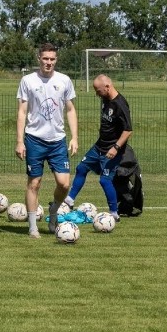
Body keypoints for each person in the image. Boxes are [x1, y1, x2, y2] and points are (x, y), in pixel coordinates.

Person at [16, 43, 78, 238]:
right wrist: (20, 141)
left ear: (56, 60)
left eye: (52, 59)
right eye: (45, 58)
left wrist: (75, 137)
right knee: (34, 183)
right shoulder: (28, 81)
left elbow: (70, 110)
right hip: (34, 139)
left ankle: (54, 210)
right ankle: (33, 227)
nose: (48, 62)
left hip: (58, 140)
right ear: (39, 59)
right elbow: (22, 112)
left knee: (64, 184)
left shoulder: (64, 80)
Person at [63, 74, 133, 222]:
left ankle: (114, 213)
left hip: (112, 150)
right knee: (81, 168)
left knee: (105, 180)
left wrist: (115, 147)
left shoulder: (120, 104)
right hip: (99, 146)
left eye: (98, 90)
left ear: (107, 87)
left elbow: (128, 130)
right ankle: (69, 200)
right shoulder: (105, 99)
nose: (96, 94)